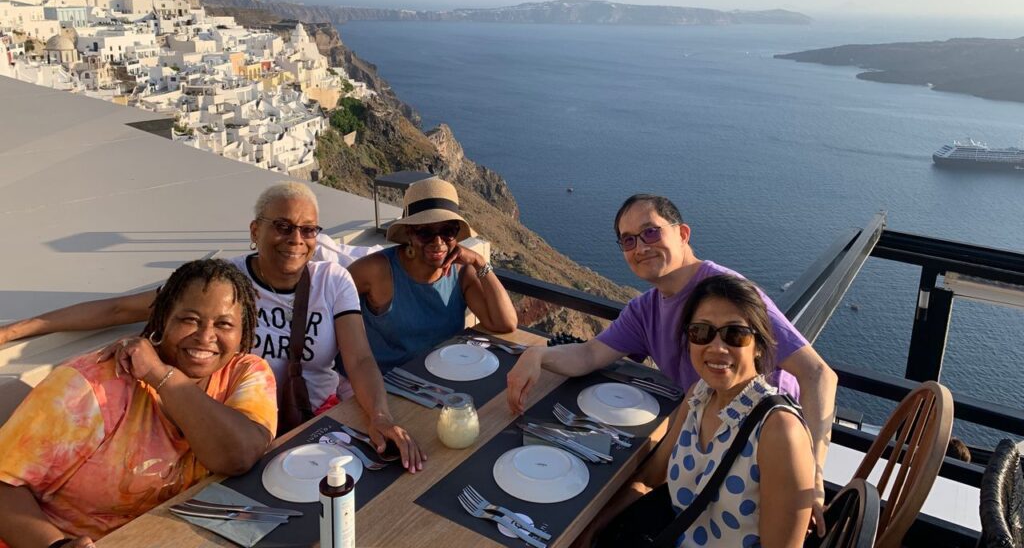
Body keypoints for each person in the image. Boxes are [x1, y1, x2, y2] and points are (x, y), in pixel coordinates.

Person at [0, 182, 424, 472]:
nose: (296, 238)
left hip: (313, 421)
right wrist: (14, 332)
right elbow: (118, 310)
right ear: (255, 230)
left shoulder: (333, 281)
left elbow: (360, 358)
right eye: (283, 226)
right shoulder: (221, 285)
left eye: (308, 229)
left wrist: (380, 415)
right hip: (232, 422)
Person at [506, 193, 837, 529]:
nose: (641, 247)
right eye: (629, 240)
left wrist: (813, 477)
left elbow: (818, 374)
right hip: (700, 433)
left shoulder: (728, 297)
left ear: (682, 234)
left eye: (651, 232)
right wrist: (538, 354)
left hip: (760, 445)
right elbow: (591, 354)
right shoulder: (646, 309)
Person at [0, 259, 277, 548]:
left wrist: (161, 376)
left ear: (242, 333)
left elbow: (238, 456)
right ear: (161, 319)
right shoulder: (90, 386)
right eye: (189, 319)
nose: (206, 337)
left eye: (224, 324)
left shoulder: (245, 373)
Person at [584, 274, 816, 548]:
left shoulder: (779, 432)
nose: (716, 347)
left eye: (735, 334)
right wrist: (593, 531)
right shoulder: (698, 396)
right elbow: (648, 478)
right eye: (701, 332)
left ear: (758, 345)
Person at [346, 176, 518, 374]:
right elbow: (326, 307)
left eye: (447, 231)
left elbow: (505, 323)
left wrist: (479, 262)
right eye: (425, 232)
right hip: (387, 384)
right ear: (409, 233)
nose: (438, 242)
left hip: (443, 378)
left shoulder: (462, 273)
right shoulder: (377, 271)